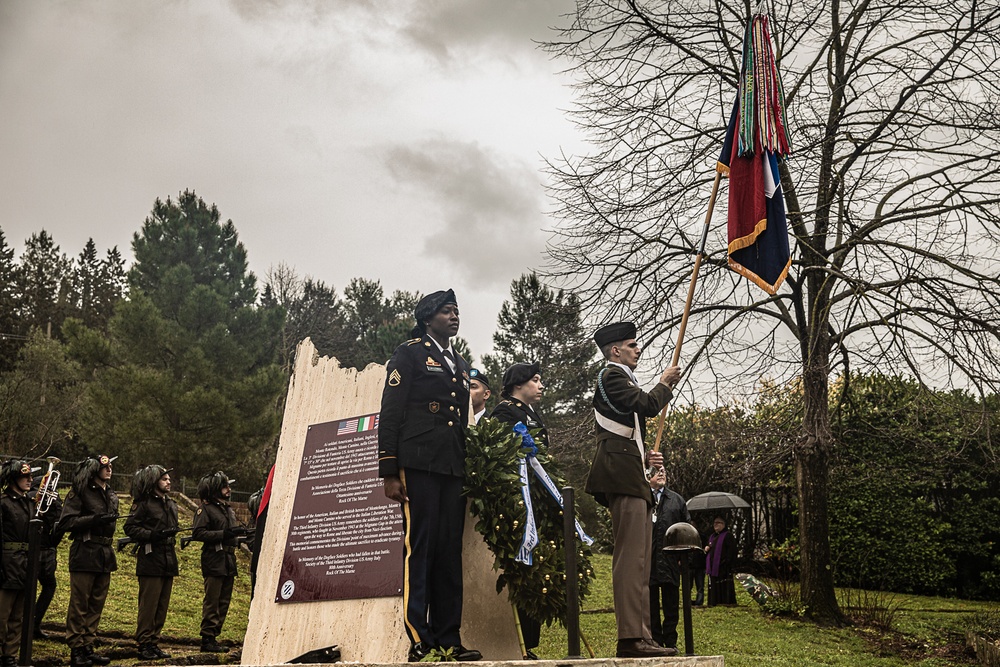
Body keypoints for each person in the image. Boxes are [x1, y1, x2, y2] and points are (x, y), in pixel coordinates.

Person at [378, 289, 480, 662]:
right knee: (419, 548)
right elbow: (390, 413)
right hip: (418, 461)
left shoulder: (461, 362)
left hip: (452, 465)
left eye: (457, 311)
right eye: (447, 311)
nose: (455, 316)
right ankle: (420, 637)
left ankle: (450, 637)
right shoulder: (409, 353)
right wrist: (389, 471)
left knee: (448, 552)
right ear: (427, 318)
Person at [585, 321, 681, 658]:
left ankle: (643, 636)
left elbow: (628, 429)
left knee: (641, 562)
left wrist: (644, 456)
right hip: (621, 476)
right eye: (631, 345)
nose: (637, 349)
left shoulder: (622, 377)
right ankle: (630, 637)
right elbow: (647, 404)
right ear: (615, 351)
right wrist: (665, 384)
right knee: (630, 560)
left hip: (631, 472)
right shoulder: (612, 375)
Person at [489, 362, 546, 660]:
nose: (540, 385)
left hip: (537, 498)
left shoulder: (532, 414)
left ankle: (531, 643)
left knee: (534, 566)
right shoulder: (504, 412)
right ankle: (519, 643)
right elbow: (498, 456)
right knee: (521, 565)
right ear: (518, 384)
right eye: (535, 380)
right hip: (517, 501)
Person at [59, 455, 119, 667]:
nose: (110, 469)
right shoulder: (80, 492)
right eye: (105, 467)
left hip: (104, 552)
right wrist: (93, 520)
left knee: (96, 602)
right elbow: (66, 521)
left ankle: (88, 644)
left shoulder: (110, 494)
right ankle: (76, 647)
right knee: (80, 602)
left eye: (111, 466)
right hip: (85, 550)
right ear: (94, 470)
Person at [124, 465, 179, 660]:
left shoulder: (170, 504)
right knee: (149, 606)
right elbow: (130, 528)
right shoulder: (144, 504)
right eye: (164, 479)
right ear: (155, 481)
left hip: (168, 559)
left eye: (168, 479)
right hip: (151, 558)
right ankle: (144, 643)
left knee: (162, 605)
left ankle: (154, 641)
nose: (168, 482)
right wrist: (152, 535)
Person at [192, 471, 246, 653]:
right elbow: (198, 533)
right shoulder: (205, 509)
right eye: (225, 486)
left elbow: (230, 534)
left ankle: (214, 635)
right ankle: (207, 638)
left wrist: (240, 538)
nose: (228, 489)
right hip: (213, 559)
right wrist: (224, 535)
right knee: (212, 600)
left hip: (228, 559)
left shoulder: (227, 509)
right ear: (215, 488)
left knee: (224, 601)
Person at [648, 468, 690, 650]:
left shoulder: (676, 500)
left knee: (671, 604)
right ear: (648, 476)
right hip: (648, 560)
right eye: (657, 471)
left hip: (671, 560)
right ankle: (655, 641)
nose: (662, 474)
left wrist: (682, 558)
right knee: (650, 604)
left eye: (664, 471)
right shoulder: (643, 498)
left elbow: (685, 529)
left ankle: (670, 641)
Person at [0, 461, 38, 667]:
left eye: (31, 476)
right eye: (25, 477)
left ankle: (10, 655)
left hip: (26, 563)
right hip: (7, 562)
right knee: (2, 614)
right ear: (14, 478)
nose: (30, 480)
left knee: (19, 616)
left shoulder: (30, 502)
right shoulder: (3, 502)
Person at [31, 470, 63, 639]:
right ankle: (33, 623)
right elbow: (60, 523)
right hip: (45, 548)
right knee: (48, 586)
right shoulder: (52, 498)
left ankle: (30, 623)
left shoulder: (27, 497)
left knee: (33, 587)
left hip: (35, 548)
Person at [705, 516, 738, 606]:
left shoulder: (728, 535)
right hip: (713, 567)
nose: (715, 524)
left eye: (718, 522)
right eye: (714, 523)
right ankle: (714, 601)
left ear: (723, 524)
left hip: (724, 567)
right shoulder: (712, 536)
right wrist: (707, 548)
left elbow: (732, 551)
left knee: (724, 586)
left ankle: (725, 601)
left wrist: (726, 562)